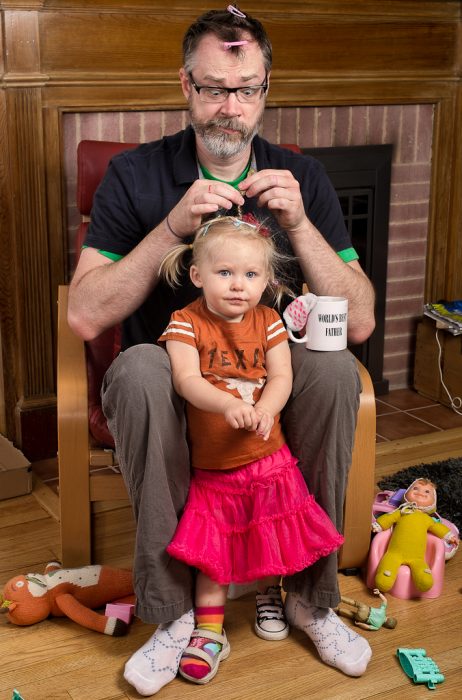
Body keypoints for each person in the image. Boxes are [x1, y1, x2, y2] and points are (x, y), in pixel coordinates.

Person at [67, 5, 375, 695]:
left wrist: (300, 223)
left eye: (245, 89)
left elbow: (358, 322)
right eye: (212, 88)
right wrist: (169, 229)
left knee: (331, 370)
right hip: (174, 392)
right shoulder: (135, 176)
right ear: (185, 86)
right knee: (142, 367)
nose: (228, 108)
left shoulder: (303, 180)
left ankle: (308, 597)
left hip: (272, 395)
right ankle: (172, 614)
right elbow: (85, 315)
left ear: (266, 89)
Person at [157, 214, 345, 684]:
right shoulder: (185, 323)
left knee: (268, 532)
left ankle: (270, 596)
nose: (238, 285)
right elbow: (185, 380)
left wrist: (267, 406)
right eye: (225, 273)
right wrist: (226, 404)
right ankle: (208, 629)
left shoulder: (268, 321)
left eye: (251, 275)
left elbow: (281, 375)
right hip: (216, 463)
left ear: (266, 281)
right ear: (198, 275)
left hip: (268, 457)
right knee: (214, 547)